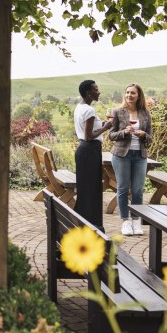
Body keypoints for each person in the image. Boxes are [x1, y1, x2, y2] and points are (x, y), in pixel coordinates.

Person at [108, 83, 153, 236]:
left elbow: (150, 139)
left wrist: (142, 135)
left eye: (132, 93)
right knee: (122, 189)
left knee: (138, 190)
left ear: (138, 95)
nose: (129, 95)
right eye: (127, 92)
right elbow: (111, 135)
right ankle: (125, 222)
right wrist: (124, 132)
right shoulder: (118, 112)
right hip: (121, 155)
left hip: (139, 155)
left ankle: (136, 221)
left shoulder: (145, 114)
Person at [74, 80, 113, 232]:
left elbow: (87, 130)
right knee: (92, 190)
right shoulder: (89, 111)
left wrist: (100, 125)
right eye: (96, 89)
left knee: (86, 189)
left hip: (83, 151)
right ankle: (94, 226)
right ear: (88, 93)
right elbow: (89, 136)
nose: (99, 92)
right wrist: (105, 127)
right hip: (90, 150)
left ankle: (83, 222)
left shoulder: (80, 107)